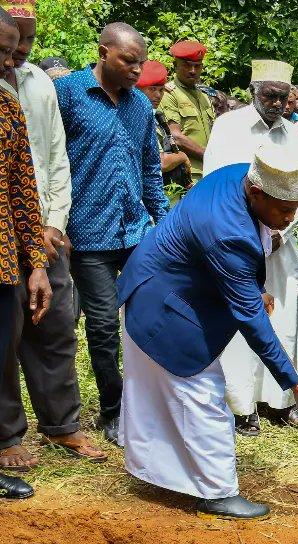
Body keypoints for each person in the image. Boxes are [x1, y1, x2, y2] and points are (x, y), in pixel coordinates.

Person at [117, 143, 298, 520]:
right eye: (284, 210)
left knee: (161, 399)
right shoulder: (228, 232)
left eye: (296, 209)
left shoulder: (240, 173)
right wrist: (295, 384)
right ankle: (217, 492)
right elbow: (252, 322)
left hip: (165, 290)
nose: (289, 217)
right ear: (258, 193)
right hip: (165, 310)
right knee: (204, 400)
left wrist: (249, 288)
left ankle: (161, 474)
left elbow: (229, 267)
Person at [0, 2, 105, 473]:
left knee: (57, 325)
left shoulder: (41, 86)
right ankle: (6, 435)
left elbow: (53, 162)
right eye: (10, 41)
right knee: (5, 336)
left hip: (42, 230)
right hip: (4, 238)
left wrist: (52, 225)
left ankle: (62, 424)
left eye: (26, 41)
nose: (19, 51)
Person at [54, 22, 169, 446]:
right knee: (102, 325)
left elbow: (149, 170)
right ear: (103, 52)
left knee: (147, 321)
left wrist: (165, 223)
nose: (137, 70)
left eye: (141, 61)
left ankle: (149, 406)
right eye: (128, 61)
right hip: (88, 234)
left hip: (136, 232)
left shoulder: (140, 106)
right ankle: (113, 411)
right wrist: (54, 222)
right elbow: (50, 159)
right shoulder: (68, 95)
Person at [203, 59, 298, 435]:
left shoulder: (296, 132)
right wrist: (251, 235)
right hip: (237, 241)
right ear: (253, 92)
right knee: (241, 318)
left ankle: (280, 403)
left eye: (284, 97)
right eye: (270, 96)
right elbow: (215, 185)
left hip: (281, 242)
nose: (278, 104)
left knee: (282, 318)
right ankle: (241, 406)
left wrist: (280, 233)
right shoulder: (227, 126)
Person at [0, 5, 51, 498]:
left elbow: (23, 192)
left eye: (11, 51)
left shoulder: (8, 107)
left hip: (2, 264)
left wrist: (34, 263)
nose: (8, 61)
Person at [157, 40, 214, 183]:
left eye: (197, 66)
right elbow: (175, 137)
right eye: (187, 65)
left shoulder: (204, 96)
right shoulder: (168, 94)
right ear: (175, 66)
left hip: (209, 172)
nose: (193, 71)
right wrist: (209, 155)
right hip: (186, 175)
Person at [135, 60, 192, 191]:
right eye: (152, 89)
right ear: (137, 89)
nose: (158, 95)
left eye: (161, 90)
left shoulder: (154, 115)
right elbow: (161, 162)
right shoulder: (140, 117)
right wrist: (182, 156)